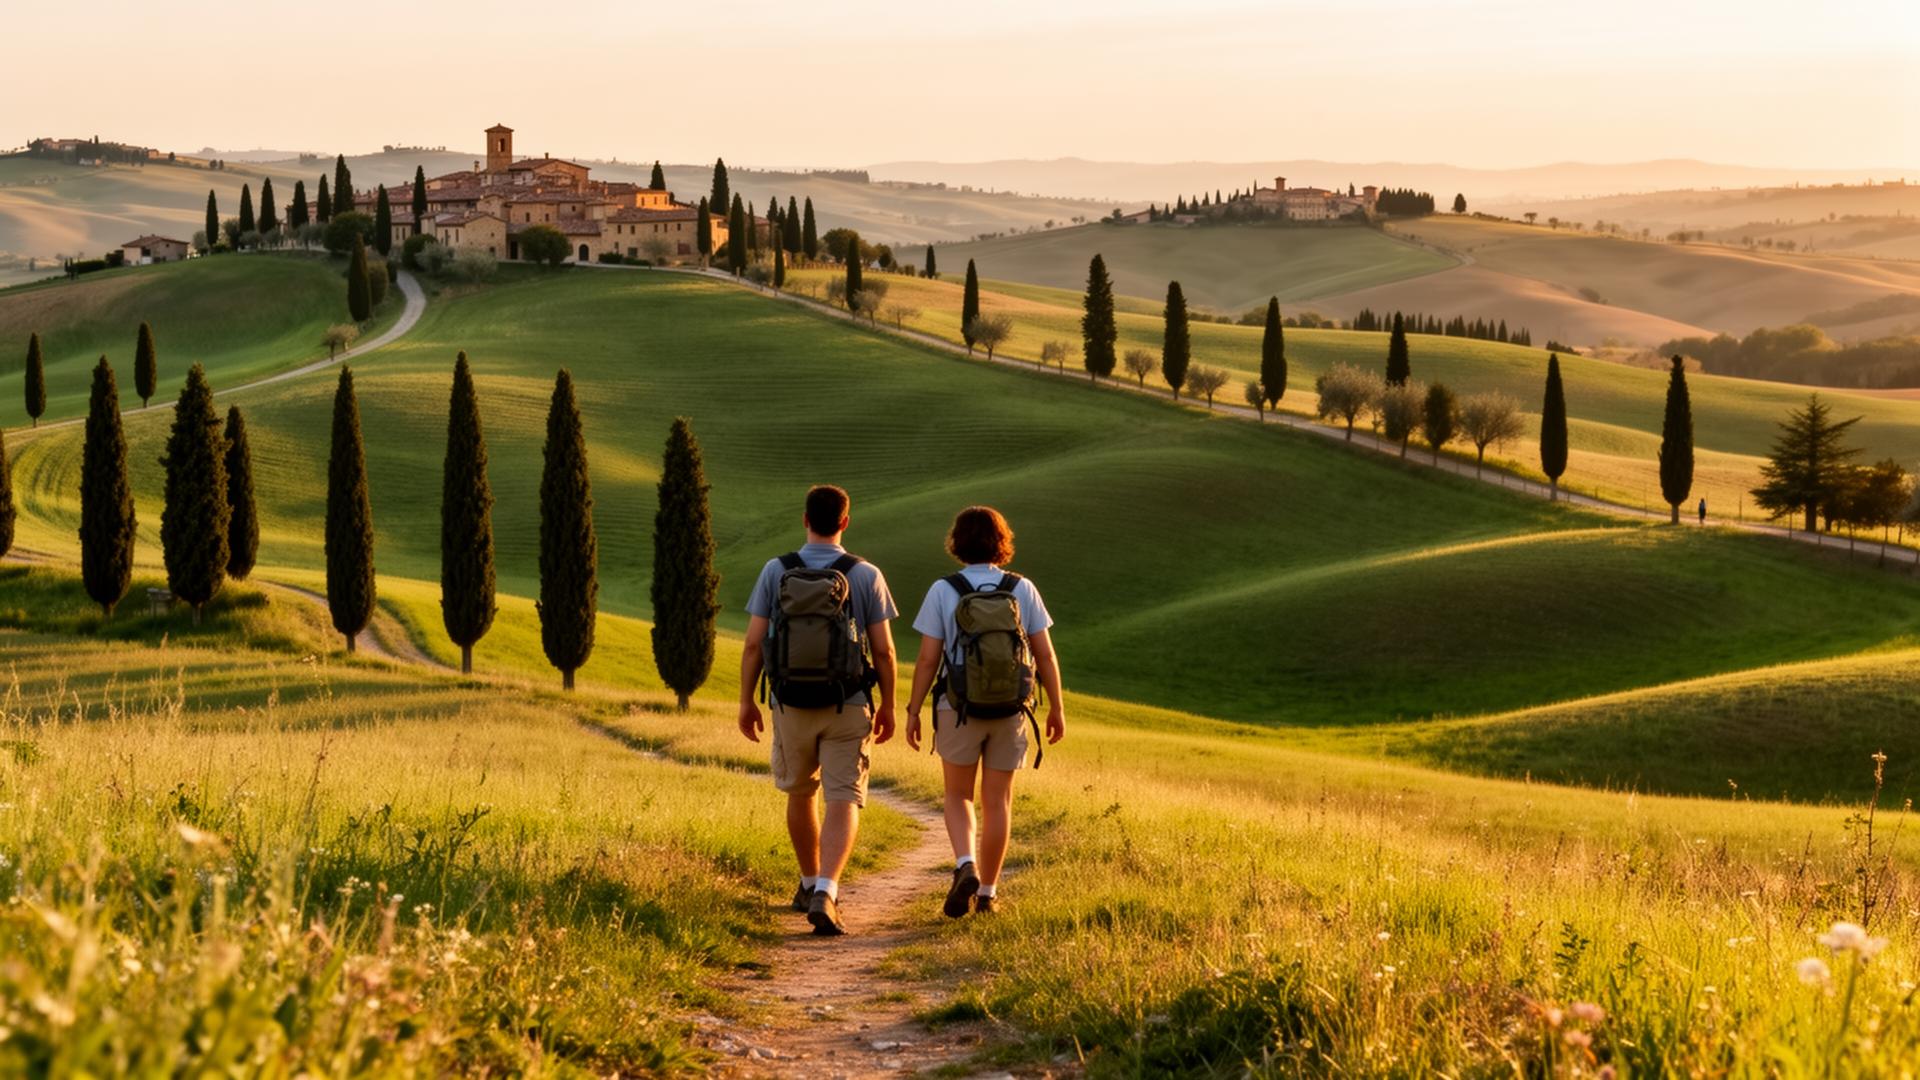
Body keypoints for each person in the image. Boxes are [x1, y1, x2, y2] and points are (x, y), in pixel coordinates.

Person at [739, 485, 898, 936]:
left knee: (800, 793)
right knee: (844, 796)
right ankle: (827, 890)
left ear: (804, 519)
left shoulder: (777, 570)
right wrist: (887, 704)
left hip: (790, 703)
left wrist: (747, 700)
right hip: (847, 702)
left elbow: (754, 644)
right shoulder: (865, 575)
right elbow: (884, 652)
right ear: (845, 522)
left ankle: (808, 883)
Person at [906, 506, 1065, 917]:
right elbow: (1044, 654)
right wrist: (1057, 709)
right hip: (1011, 709)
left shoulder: (944, 589)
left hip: (956, 707)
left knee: (958, 794)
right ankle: (989, 894)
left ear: (957, 543)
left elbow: (927, 660)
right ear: (1001, 541)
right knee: (998, 802)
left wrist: (912, 710)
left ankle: (965, 864)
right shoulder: (1021, 588)